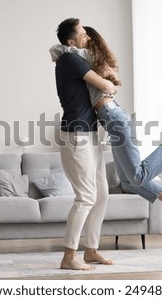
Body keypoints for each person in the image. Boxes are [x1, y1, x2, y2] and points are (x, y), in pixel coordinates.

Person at [50, 26, 162, 222]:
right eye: (81, 34)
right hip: (113, 117)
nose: (83, 38)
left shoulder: (86, 54)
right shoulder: (95, 58)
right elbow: (115, 84)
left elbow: (59, 51)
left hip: (113, 116)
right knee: (126, 179)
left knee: (135, 176)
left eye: (85, 35)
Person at [52, 18, 119, 271]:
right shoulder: (69, 59)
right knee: (86, 196)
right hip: (75, 134)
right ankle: (69, 256)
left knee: (102, 193)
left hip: (91, 133)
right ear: (71, 41)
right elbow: (105, 86)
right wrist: (110, 83)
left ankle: (90, 250)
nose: (86, 37)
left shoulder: (75, 58)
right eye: (82, 34)